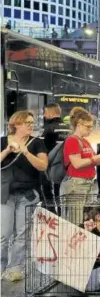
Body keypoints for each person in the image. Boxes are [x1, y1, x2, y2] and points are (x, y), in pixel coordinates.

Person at [1, 111, 48, 281]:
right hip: (5, 194)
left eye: (31, 122)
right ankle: (1, 267)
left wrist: (26, 153)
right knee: (4, 234)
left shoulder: (37, 143)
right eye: (26, 122)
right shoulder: (2, 141)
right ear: (16, 125)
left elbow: (43, 166)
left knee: (22, 233)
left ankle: (15, 268)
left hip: (27, 194)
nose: (31, 125)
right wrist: (7, 150)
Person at [61, 107, 100, 225]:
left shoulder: (85, 141)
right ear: (78, 125)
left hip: (88, 184)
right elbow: (77, 163)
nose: (91, 129)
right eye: (88, 126)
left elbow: (92, 161)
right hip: (77, 185)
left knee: (86, 220)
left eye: (92, 126)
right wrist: (98, 156)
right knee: (76, 221)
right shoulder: (72, 141)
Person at [40, 103, 69, 213]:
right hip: (67, 166)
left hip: (52, 166)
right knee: (61, 192)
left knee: (48, 191)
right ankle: (63, 214)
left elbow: (42, 149)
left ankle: (52, 213)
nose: (44, 115)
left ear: (51, 113)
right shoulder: (69, 128)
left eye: (45, 112)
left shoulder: (48, 129)